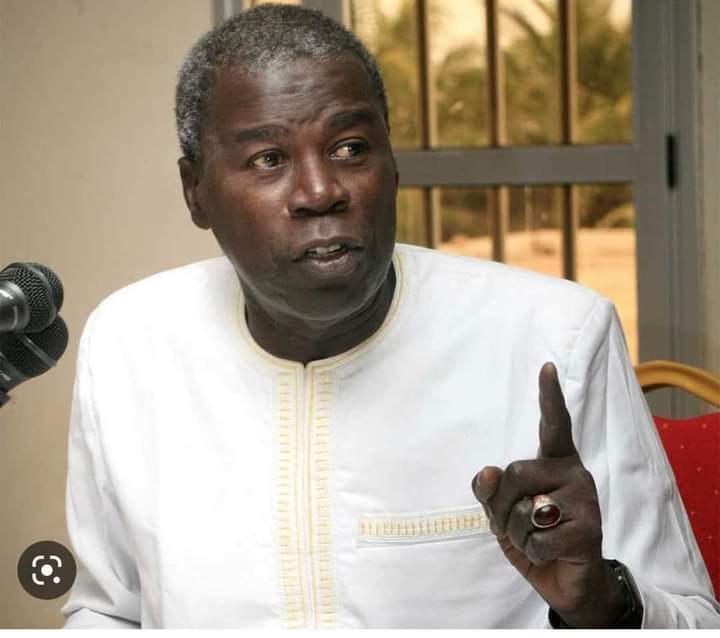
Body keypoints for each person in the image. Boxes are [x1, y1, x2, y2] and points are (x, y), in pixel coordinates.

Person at [61, 4, 719, 629]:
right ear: (195, 192)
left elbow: (694, 620)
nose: (321, 191)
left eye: (350, 148)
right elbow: (108, 611)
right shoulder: (129, 343)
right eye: (269, 159)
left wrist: (602, 603)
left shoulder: (558, 336)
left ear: (393, 164)